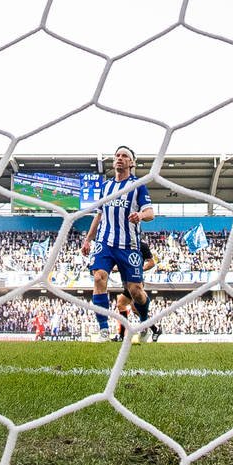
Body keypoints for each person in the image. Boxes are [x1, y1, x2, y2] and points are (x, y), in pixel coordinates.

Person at [81, 145, 155, 340]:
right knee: (99, 278)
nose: (120, 158)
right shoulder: (106, 187)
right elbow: (98, 216)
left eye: (125, 156)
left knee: (136, 292)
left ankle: (145, 321)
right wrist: (88, 240)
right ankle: (104, 329)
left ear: (132, 163)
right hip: (105, 242)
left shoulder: (138, 185)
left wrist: (139, 215)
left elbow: (150, 213)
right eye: (117, 156)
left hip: (128, 246)